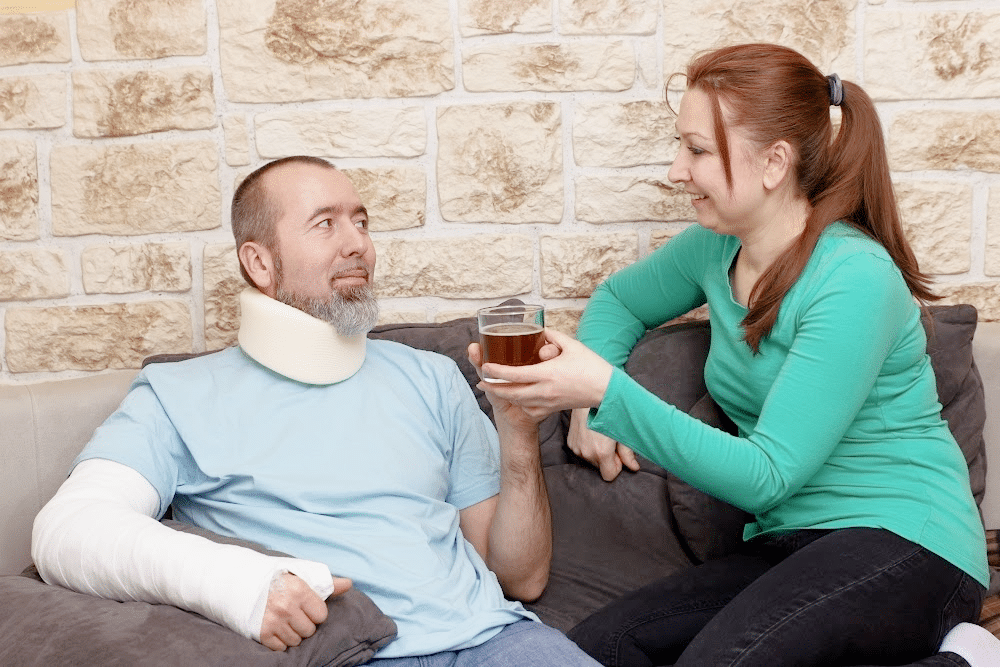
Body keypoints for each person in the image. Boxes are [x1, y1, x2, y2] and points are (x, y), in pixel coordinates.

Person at [477, 43, 991, 665]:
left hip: (907, 541)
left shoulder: (853, 277)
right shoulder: (712, 250)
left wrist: (604, 394)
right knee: (593, 650)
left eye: (697, 150)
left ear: (774, 162)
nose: (675, 170)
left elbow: (768, 472)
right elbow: (617, 300)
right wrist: (594, 402)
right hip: (785, 543)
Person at [31, 156, 599, 667]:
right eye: (325, 223)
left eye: (362, 221)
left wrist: (518, 433)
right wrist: (239, 585)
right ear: (259, 262)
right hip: (350, 656)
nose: (357, 243)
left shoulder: (430, 375)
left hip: (496, 643)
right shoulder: (178, 395)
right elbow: (69, 530)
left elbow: (521, 578)